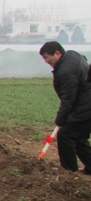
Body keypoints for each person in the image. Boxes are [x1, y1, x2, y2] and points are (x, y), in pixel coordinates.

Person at [40, 41, 91, 174]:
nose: (46, 61)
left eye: (46, 57)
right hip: (85, 104)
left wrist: (60, 119)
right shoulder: (72, 55)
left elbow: (68, 99)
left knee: (65, 135)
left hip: (85, 108)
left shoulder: (66, 72)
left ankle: (68, 170)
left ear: (57, 53)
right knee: (79, 138)